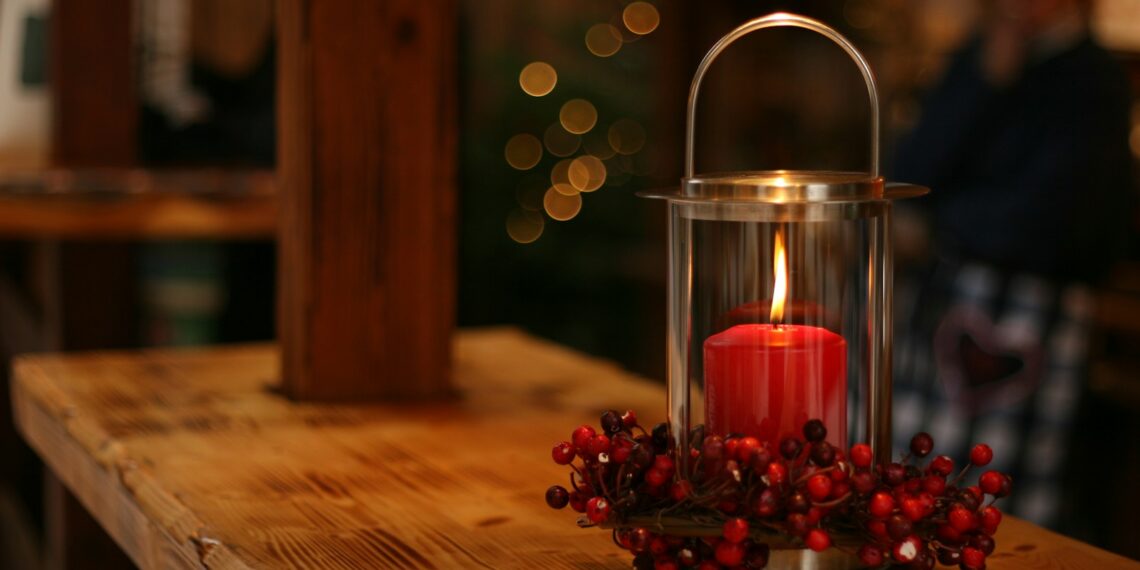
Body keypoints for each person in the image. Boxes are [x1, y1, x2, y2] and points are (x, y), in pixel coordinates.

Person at [889, 0, 1133, 528]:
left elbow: (1055, 218)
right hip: (941, 304)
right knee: (911, 482)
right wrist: (986, 79)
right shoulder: (980, 59)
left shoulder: (1094, 81)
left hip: (1028, 315)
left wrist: (939, 223)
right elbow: (909, 173)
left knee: (995, 500)